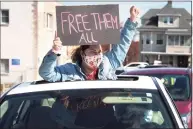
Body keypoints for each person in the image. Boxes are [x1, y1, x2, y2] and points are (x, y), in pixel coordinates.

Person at [39, 6, 140, 82]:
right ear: (83, 54)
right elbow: (46, 73)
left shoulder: (108, 65)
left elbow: (122, 45)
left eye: (99, 52)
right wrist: (55, 51)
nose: (97, 56)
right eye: (92, 52)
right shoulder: (68, 71)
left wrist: (132, 20)